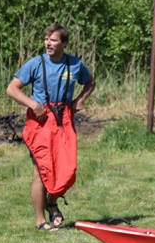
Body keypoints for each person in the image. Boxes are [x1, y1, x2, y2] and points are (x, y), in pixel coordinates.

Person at [6, 23, 94, 231]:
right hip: (40, 122)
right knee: (41, 172)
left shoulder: (75, 64)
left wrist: (80, 99)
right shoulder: (35, 64)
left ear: (64, 43)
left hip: (63, 121)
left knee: (68, 169)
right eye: (46, 39)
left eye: (53, 40)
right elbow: (12, 89)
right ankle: (40, 221)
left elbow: (90, 82)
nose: (48, 43)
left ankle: (51, 202)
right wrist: (33, 104)